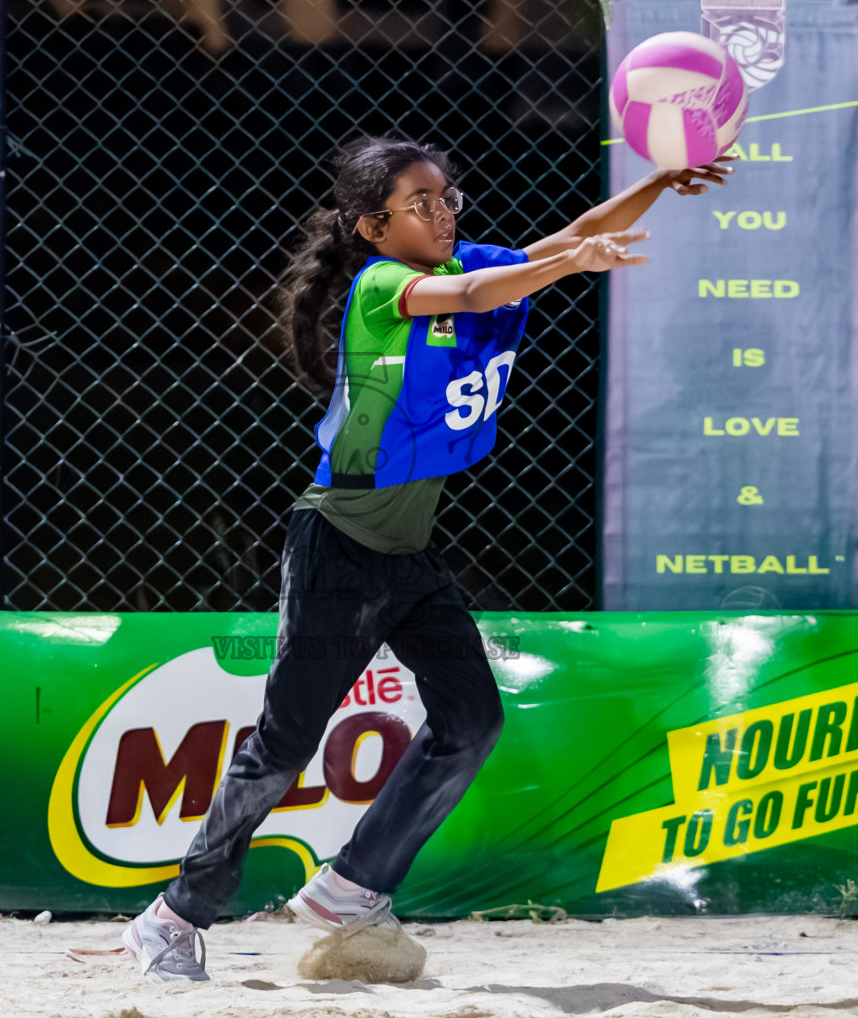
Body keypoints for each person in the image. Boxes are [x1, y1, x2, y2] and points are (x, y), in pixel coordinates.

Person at [121, 137, 733, 981]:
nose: (443, 213)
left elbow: (573, 233)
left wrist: (661, 180)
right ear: (374, 226)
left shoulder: (464, 260)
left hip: (407, 558)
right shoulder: (381, 289)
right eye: (421, 203)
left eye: (448, 198)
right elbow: (484, 289)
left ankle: (352, 885)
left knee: (471, 719)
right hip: (338, 548)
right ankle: (172, 917)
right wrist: (569, 265)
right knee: (285, 743)